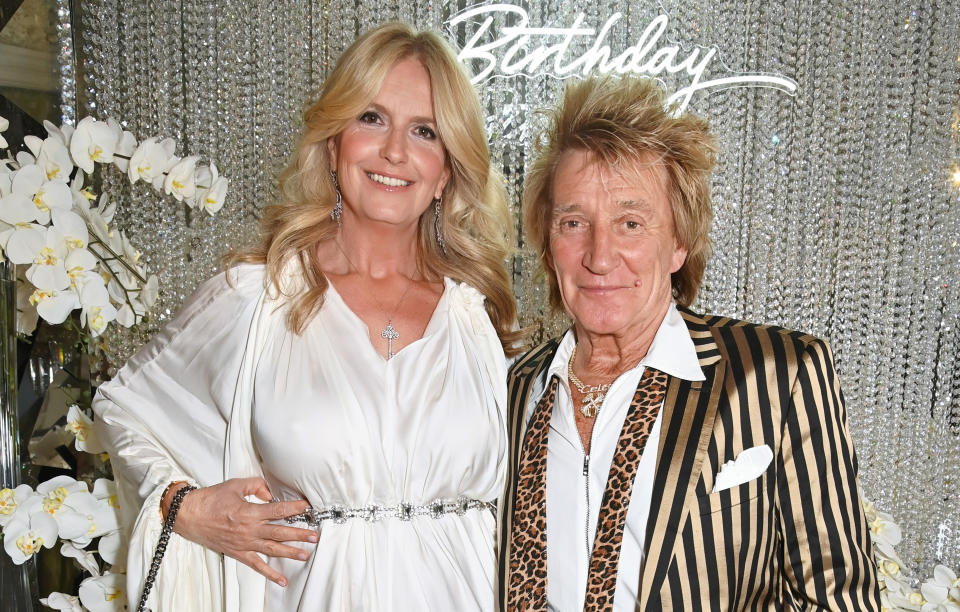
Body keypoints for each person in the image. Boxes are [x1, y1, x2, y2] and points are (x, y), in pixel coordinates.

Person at [93, 22, 520, 611]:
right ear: (333, 141)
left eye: (424, 131)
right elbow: (123, 409)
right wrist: (184, 506)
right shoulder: (258, 299)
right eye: (371, 118)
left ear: (446, 169)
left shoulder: (476, 319)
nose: (394, 150)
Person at [496, 76, 881, 611]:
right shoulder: (515, 390)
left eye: (630, 222)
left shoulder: (779, 376)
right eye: (574, 222)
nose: (599, 255)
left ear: (678, 242)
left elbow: (838, 599)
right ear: (548, 242)